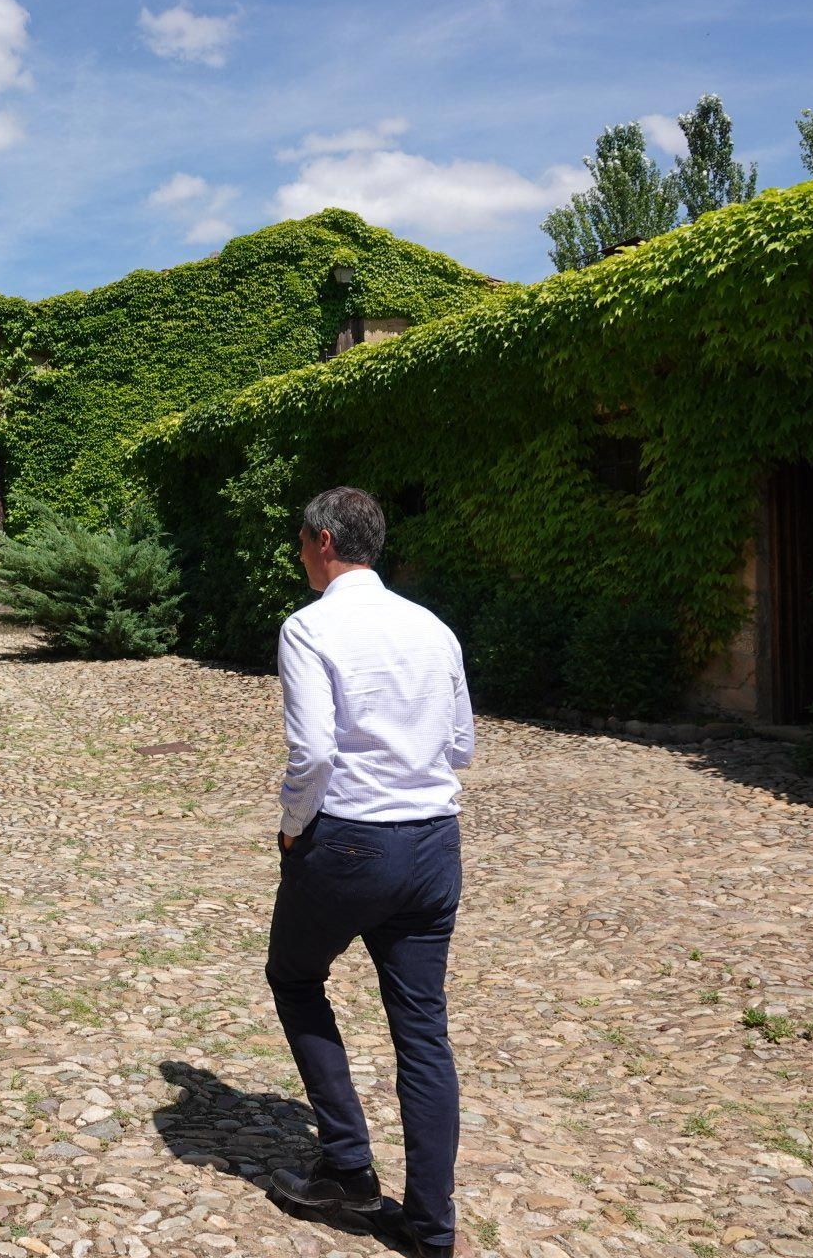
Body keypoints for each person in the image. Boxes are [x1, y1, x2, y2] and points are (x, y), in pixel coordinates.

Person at [264, 488, 474, 1258]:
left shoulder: (310, 627)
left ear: (323, 542)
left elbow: (314, 752)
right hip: (433, 842)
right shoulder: (432, 627)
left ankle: (348, 1167)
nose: (298, 553)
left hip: (351, 840)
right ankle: (429, 1228)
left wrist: (293, 830)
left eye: (300, 541)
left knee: (294, 976)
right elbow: (460, 745)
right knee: (423, 1031)